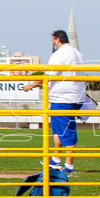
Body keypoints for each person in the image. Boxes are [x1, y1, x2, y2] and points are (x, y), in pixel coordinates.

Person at [23, 30, 86, 174]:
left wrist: (31, 85)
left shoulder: (60, 54)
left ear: (57, 40)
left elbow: (49, 75)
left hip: (64, 98)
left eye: (53, 40)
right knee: (58, 129)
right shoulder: (78, 53)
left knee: (66, 131)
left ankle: (69, 166)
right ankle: (56, 159)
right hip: (74, 96)